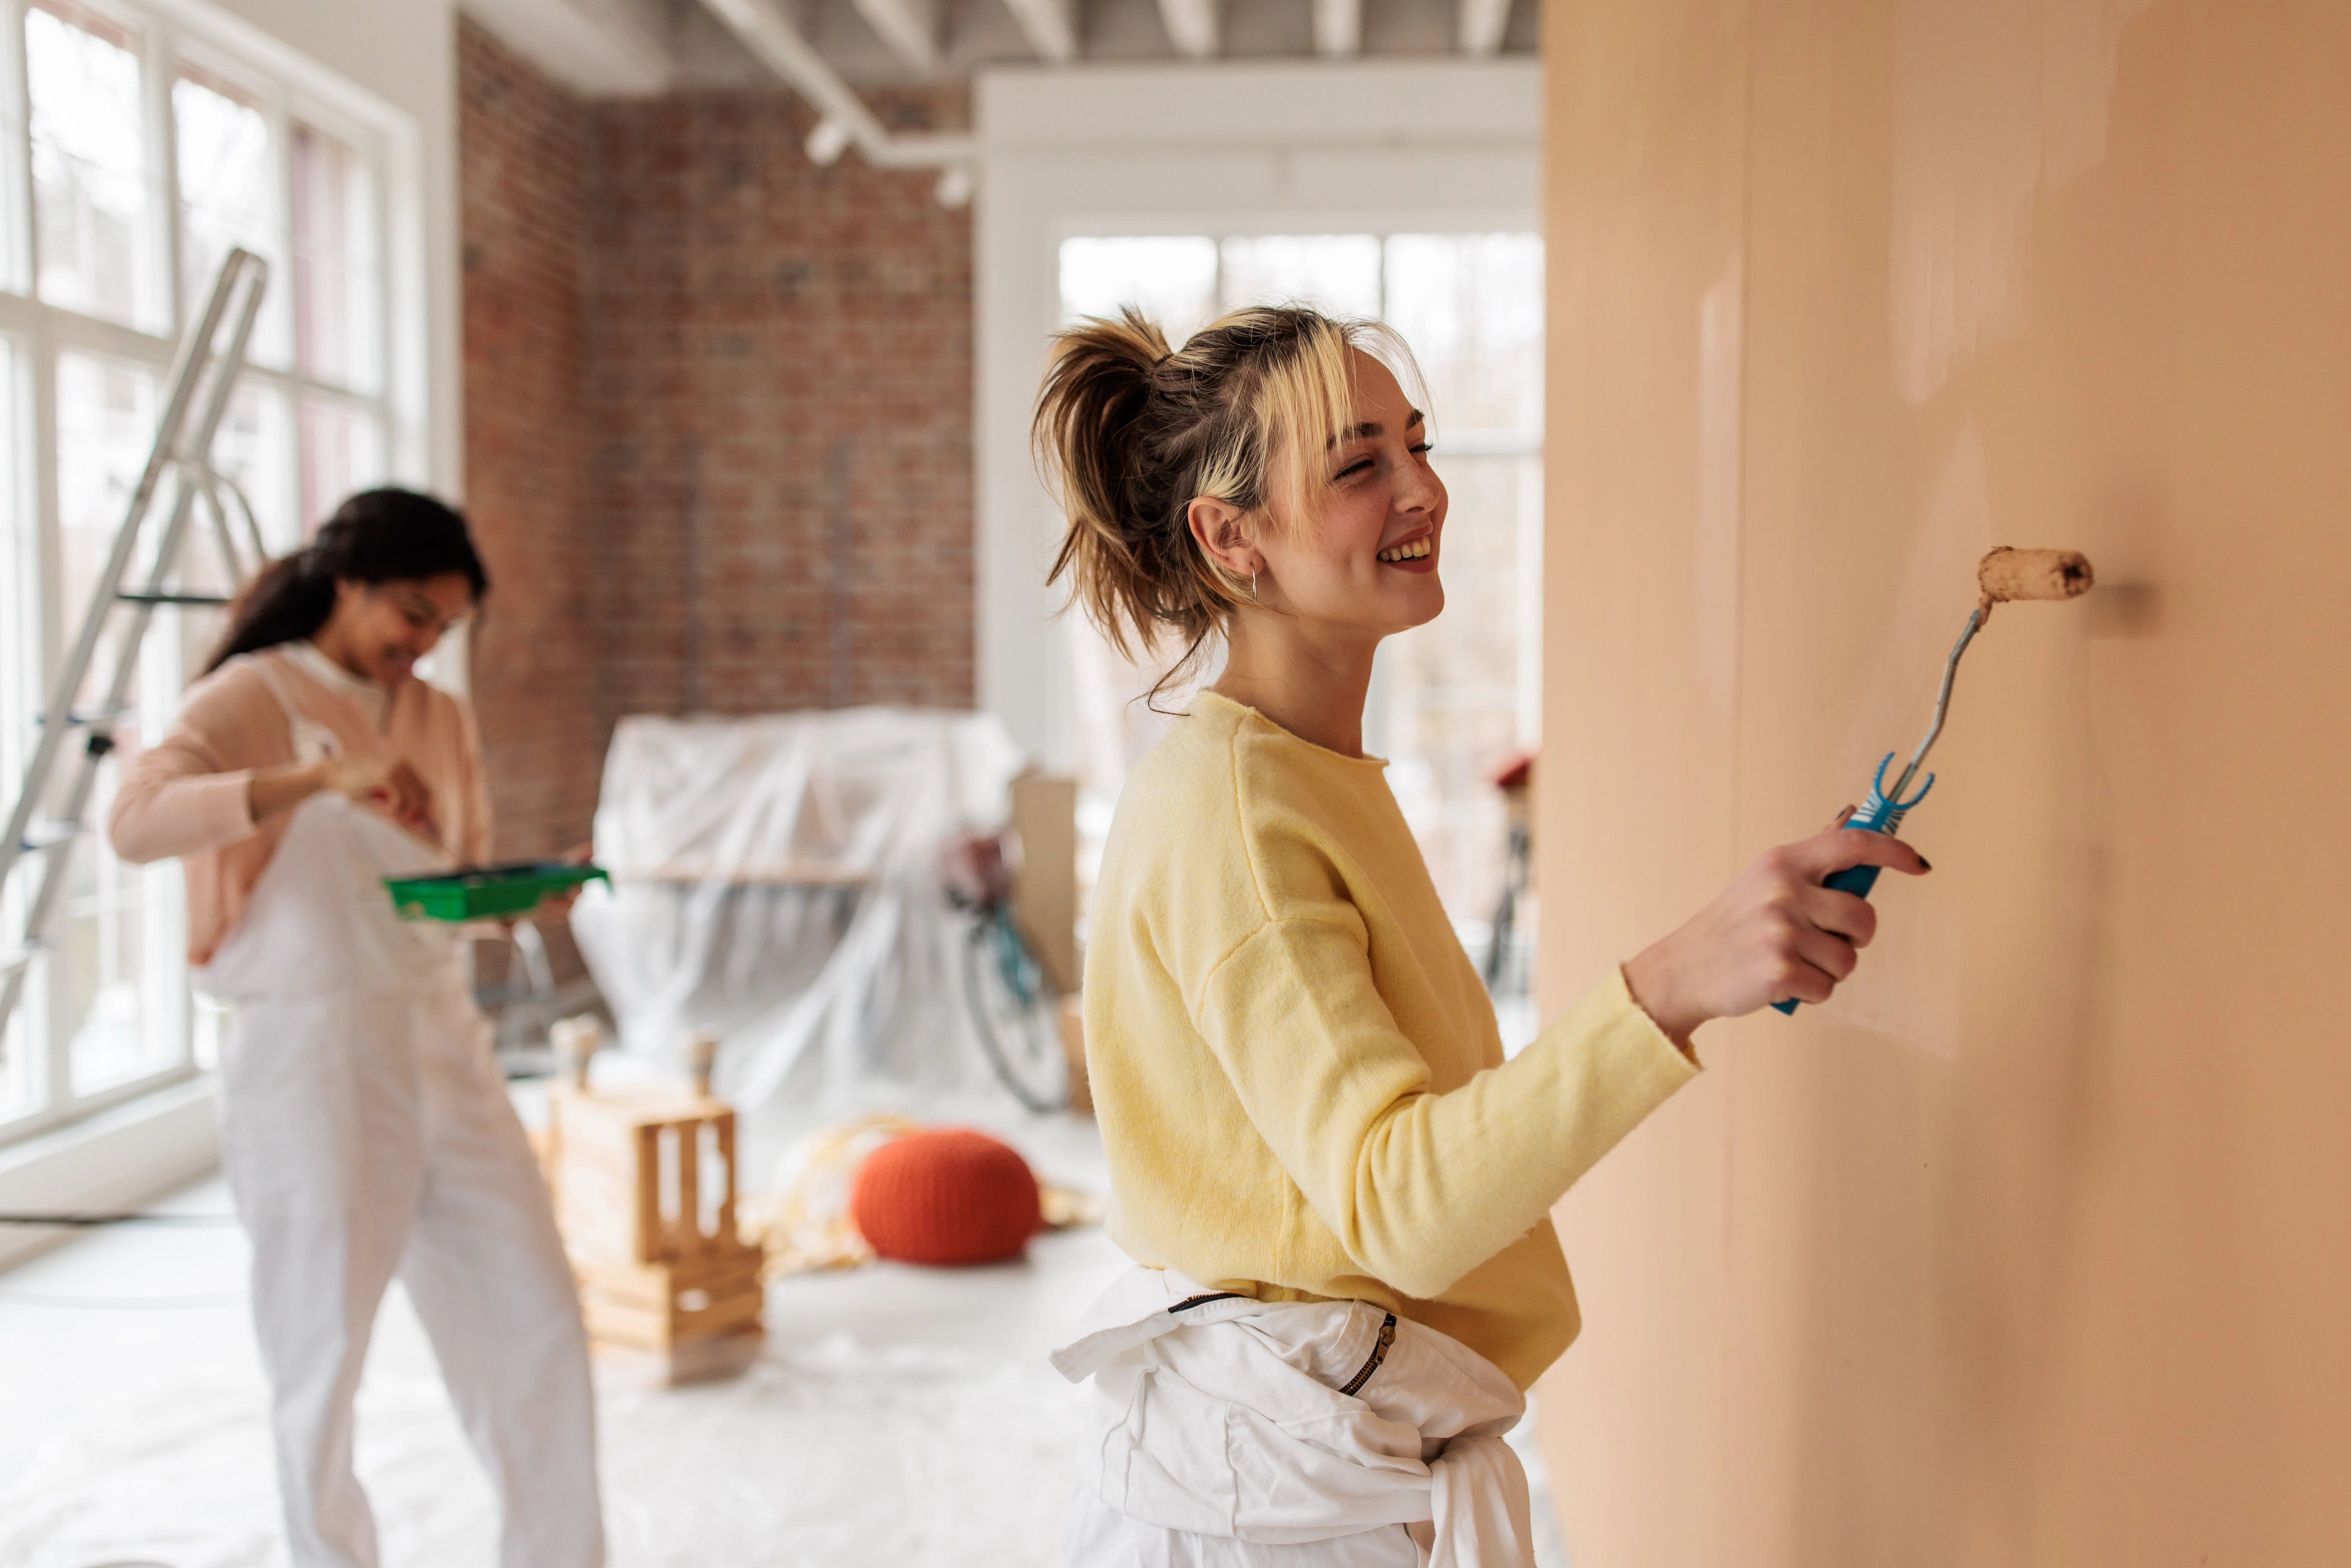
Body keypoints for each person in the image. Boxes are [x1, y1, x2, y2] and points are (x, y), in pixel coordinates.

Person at [1034, 307, 1925, 1566]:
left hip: (1324, 1463)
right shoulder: (1236, 815)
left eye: (1419, 442)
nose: (1424, 489)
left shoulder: (1305, 778)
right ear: (1232, 538)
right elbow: (1402, 1204)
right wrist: (1673, 982)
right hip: (1275, 1516)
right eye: (1358, 465)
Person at [107, 488, 603, 1568]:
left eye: (443, 629)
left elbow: (440, 886)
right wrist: (321, 777)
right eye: (412, 615)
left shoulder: (439, 715)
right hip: (308, 1060)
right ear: (350, 584)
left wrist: (519, 897)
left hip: (441, 1040)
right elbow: (134, 823)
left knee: (537, 1317)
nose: (423, 647)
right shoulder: (250, 695)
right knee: (322, 1353)